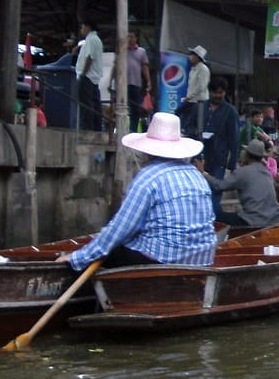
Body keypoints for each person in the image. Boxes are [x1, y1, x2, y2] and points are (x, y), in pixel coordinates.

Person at [59, 111, 216, 270]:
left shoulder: (148, 177)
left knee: (110, 250)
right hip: (203, 258)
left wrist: (77, 258)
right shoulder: (196, 174)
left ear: (147, 151)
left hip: (164, 258)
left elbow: (120, 228)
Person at [202, 138, 279, 229]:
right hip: (274, 218)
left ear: (247, 155)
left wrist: (204, 173)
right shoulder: (267, 172)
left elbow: (219, 186)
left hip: (254, 220)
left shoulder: (243, 172)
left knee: (217, 216)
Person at [74, 16, 104, 131]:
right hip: (93, 77)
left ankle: (86, 128)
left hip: (87, 76)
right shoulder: (96, 40)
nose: (81, 30)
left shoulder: (91, 39)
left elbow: (89, 57)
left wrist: (83, 74)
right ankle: (96, 127)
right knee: (94, 103)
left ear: (87, 27)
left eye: (82, 27)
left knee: (86, 104)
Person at [181, 44, 210, 136]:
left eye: (192, 54)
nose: (190, 57)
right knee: (184, 120)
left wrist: (189, 96)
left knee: (195, 125)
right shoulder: (193, 69)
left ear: (197, 57)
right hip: (191, 101)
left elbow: (201, 87)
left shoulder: (203, 69)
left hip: (199, 102)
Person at [125, 30, 152, 129]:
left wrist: (148, 81)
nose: (130, 39)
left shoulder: (141, 51)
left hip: (136, 84)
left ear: (136, 38)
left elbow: (145, 67)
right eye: (128, 37)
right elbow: (115, 66)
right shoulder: (122, 50)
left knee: (135, 109)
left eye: (132, 37)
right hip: (123, 85)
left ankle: (133, 130)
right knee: (122, 108)